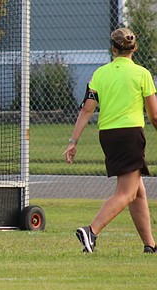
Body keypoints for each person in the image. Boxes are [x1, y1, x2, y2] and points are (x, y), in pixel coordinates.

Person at [64, 28, 157, 254]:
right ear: (134, 48)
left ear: (113, 49)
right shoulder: (142, 74)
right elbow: (154, 115)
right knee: (126, 193)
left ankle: (150, 245)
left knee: (137, 190)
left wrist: (73, 141)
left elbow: (86, 111)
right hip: (130, 135)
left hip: (108, 136)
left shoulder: (99, 74)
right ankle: (91, 231)